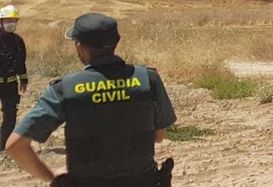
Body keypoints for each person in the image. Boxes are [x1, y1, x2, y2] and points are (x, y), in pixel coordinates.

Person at [5, 13, 176, 187]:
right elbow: (159, 136)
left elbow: (15, 146)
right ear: (116, 42)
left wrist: (52, 176)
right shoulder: (148, 79)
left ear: (80, 46)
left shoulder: (65, 89)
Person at [0, 5, 28, 148]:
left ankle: (3, 145)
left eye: (14, 20)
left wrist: (23, 79)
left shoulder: (18, 41)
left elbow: (21, 62)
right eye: (8, 20)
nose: (12, 23)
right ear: (1, 21)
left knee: (10, 117)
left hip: (10, 85)